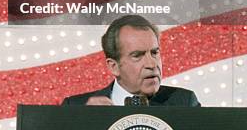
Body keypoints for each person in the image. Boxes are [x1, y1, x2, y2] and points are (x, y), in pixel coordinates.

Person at [62, 15, 200, 106]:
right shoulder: (76, 107)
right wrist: (81, 122)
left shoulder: (184, 102)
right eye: (137, 55)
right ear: (114, 67)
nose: (152, 64)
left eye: (154, 52)